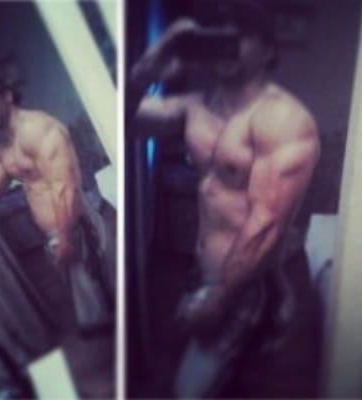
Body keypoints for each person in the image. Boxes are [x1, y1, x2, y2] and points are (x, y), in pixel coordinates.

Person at [129, 1, 321, 397]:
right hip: (205, 273)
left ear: (268, 49)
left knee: (192, 391)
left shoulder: (282, 119)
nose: (226, 45)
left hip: (246, 284)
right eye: (216, 34)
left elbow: (266, 223)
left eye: (240, 35)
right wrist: (150, 64)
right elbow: (123, 120)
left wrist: (219, 298)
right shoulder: (193, 107)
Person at [0, 79, 114, 334]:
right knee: (93, 309)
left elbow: (64, 186)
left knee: (108, 297)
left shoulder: (41, 130)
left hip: (76, 225)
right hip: (54, 234)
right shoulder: (2, 146)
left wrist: (65, 238)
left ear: (8, 96)